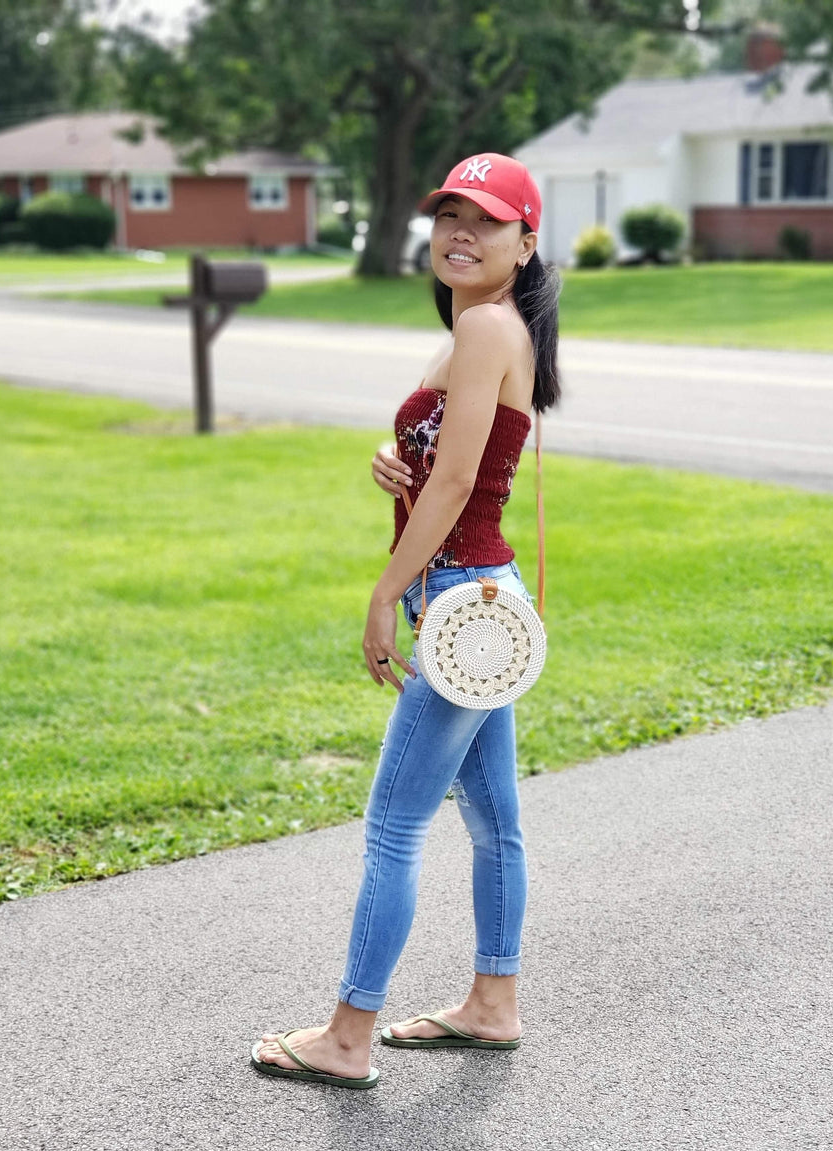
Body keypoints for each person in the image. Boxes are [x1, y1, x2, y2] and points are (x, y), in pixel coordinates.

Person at [251, 153, 561, 1089]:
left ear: (526, 242)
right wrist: (401, 455)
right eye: (448, 217)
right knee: (495, 818)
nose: (460, 234)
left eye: (487, 221)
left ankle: (348, 1037)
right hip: (484, 595)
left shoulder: (487, 328)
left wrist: (389, 590)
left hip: (459, 599)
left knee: (394, 824)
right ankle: (492, 1003)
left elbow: (467, 480)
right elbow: (457, 452)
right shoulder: (481, 326)